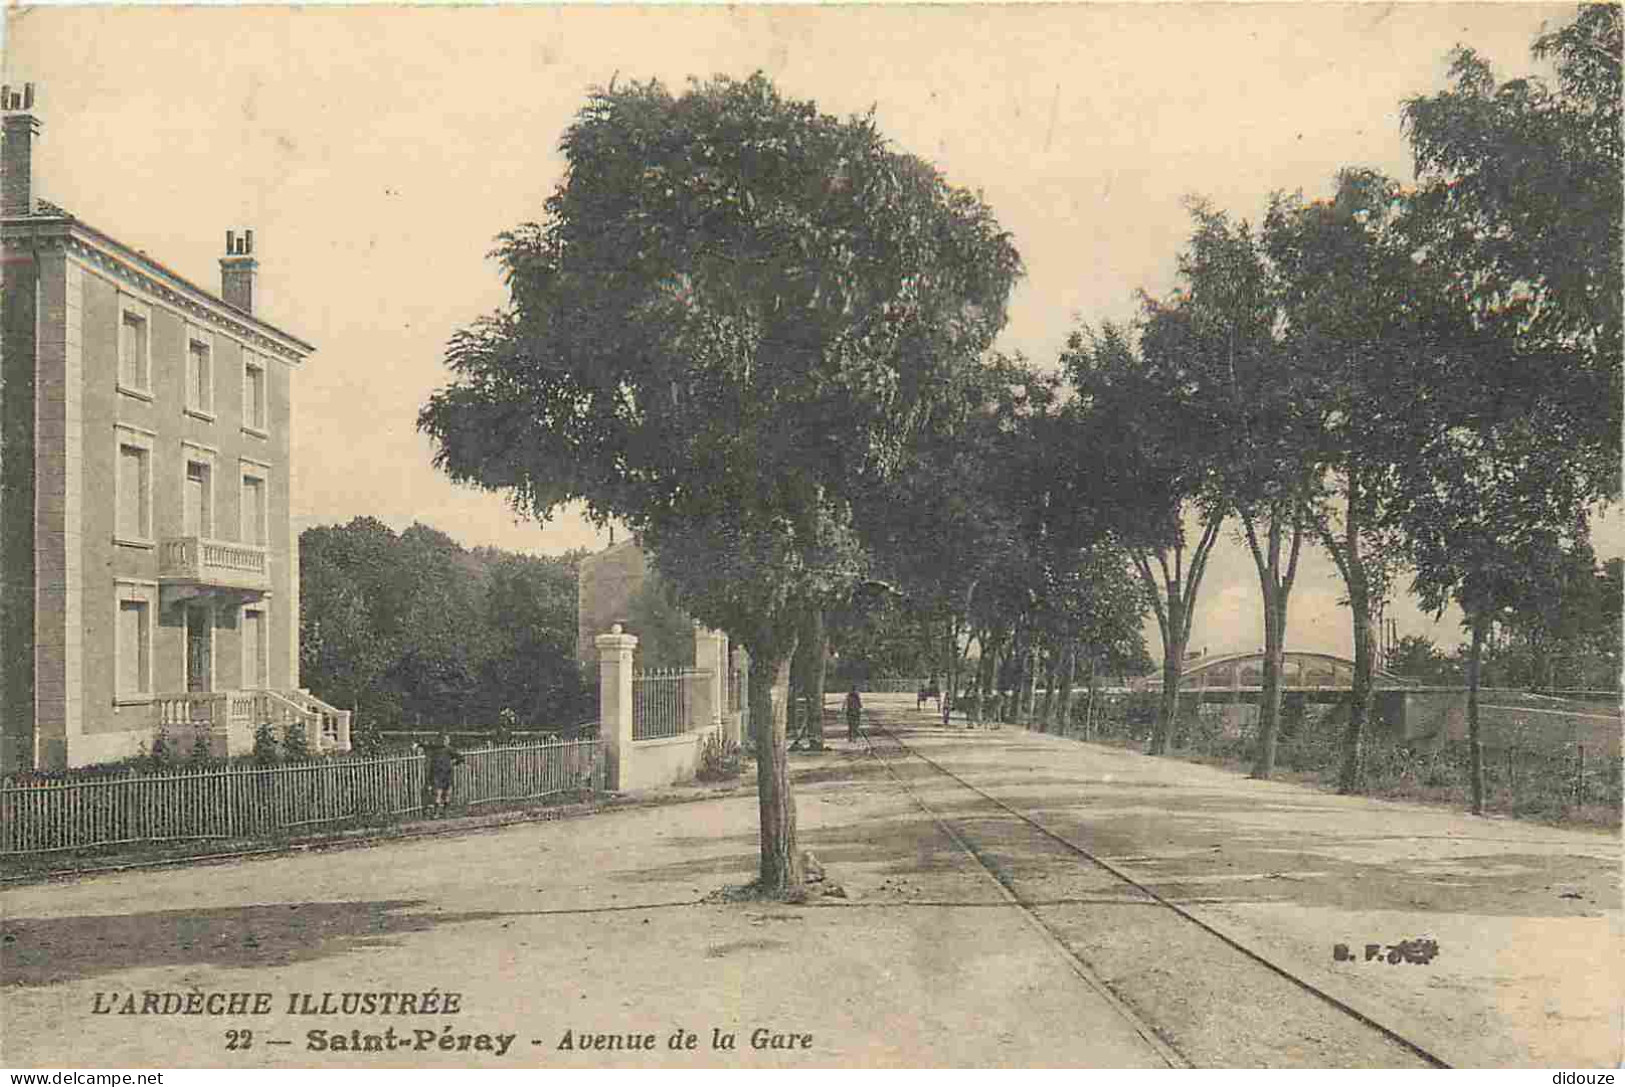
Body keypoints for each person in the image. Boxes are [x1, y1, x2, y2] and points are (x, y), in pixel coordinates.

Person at [424, 732, 464, 816]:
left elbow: (460, 758)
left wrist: (454, 763)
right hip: (440, 773)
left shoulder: (448, 749)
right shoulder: (438, 750)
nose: (445, 741)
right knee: (439, 793)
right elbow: (460, 758)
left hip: (446, 773)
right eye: (444, 739)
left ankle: (444, 812)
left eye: (447, 739)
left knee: (446, 792)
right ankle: (438, 812)